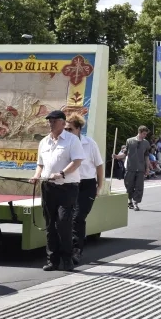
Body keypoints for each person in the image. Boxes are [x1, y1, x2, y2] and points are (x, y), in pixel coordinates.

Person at [29, 110, 85, 272]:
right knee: (50, 225)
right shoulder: (44, 142)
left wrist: (61, 173)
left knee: (63, 223)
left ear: (62, 122)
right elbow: (40, 164)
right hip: (48, 187)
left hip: (67, 187)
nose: (51, 123)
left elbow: (77, 161)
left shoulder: (72, 140)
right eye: (49, 121)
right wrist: (36, 176)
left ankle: (67, 259)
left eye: (54, 121)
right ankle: (52, 260)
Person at [64, 113, 103, 266]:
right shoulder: (64, 143)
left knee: (78, 217)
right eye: (65, 129)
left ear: (79, 129)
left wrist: (99, 186)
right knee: (67, 218)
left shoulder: (90, 144)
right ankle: (71, 245)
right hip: (69, 184)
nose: (67, 132)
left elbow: (99, 166)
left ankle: (76, 250)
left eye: (70, 129)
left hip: (87, 185)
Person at [113, 126, 150, 211]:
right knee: (129, 186)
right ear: (140, 132)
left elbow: (147, 157)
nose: (145, 135)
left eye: (146, 134)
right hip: (130, 168)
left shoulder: (146, 143)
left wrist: (147, 168)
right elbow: (125, 154)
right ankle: (130, 200)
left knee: (139, 187)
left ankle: (135, 203)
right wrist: (117, 156)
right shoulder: (129, 141)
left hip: (141, 168)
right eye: (144, 134)